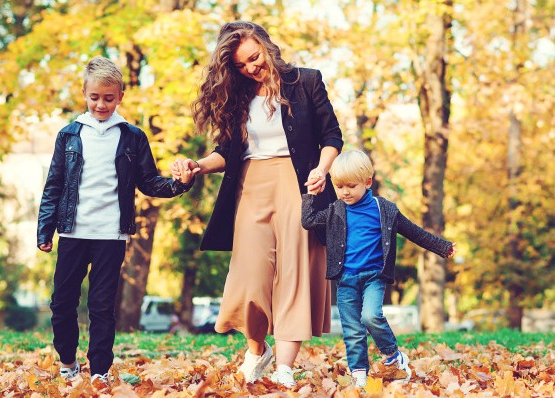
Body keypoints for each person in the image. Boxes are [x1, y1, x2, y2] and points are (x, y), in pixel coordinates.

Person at [171, 21, 343, 388]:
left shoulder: (306, 81)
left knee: (294, 274)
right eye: (240, 65)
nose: (250, 68)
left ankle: (284, 367)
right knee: (249, 275)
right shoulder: (237, 98)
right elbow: (226, 151)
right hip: (250, 186)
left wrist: (322, 169)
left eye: (254, 58)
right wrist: (197, 167)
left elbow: (332, 136)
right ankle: (257, 350)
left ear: (266, 45)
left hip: (298, 183)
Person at [37, 56, 196, 386]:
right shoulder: (69, 135)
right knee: (62, 302)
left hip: (111, 234)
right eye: (94, 97)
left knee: (102, 306)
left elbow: (149, 181)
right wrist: (45, 227)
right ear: (84, 93)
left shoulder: (132, 137)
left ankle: (98, 371)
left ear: (120, 96)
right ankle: (68, 362)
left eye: (109, 98)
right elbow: (54, 184)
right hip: (73, 232)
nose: (101, 104)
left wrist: (180, 184)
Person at [301, 149, 457, 388]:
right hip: (345, 279)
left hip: (374, 277)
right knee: (352, 330)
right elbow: (308, 221)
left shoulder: (385, 209)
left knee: (371, 316)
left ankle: (394, 355)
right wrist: (311, 195)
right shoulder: (336, 210)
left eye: (351, 186)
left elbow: (414, 231)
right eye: (339, 186)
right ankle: (359, 373)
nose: (344, 192)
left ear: (367, 182)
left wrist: (443, 247)